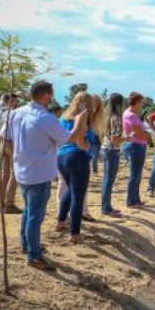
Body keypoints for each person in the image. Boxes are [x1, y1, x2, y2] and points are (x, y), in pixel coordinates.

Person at [0, 80, 87, 269]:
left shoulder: (16, 112)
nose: (52, 98)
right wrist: (79, 122)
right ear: (46, 95)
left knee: (28, 210)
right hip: (38, 175)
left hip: (22, 171)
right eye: (52, 95)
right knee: (35, 216)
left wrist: (16, 155)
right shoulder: (45, 118)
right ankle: (34, 256)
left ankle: (26, 244)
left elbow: (4, 137)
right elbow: (69, 139)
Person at [56, 91, 97, 244]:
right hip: (77, 157)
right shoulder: (82, 118)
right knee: (78, 197)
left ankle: (61, 221)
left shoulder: (63, 118)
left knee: (70, 190)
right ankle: (75, 233)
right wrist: (86, 147)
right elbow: (80, 139)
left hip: (61, 157)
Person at [0, 92, 22, 212]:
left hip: (2, 143)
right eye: (16, 100)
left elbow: (1, 100)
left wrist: (12, 93)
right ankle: (9, 203)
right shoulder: (12, 113)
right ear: (11, 100)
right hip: (11, 143)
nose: (17, 103)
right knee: (15, 174)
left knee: (4, 174)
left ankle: (1, 203)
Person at [121, 92, 149, 207]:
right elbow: (139, 134)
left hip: (136, 146)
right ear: (136, 102)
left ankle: (135, 199)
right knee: (135, 174)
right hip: (135, 147)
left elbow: (139, 132)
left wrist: (144, 135)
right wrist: (147, 136)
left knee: (137, 174)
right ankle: (131, 201)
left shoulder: (131, 113)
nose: (142, 105)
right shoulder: (131, 115)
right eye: (141, 103)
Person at [100, 93, 125, 217]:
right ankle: (106, 208)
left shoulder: (107, 116)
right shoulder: (116, 118)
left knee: (106, 179)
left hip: (105, 149)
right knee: (109, 180)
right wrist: (127, 138)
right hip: (112, 151)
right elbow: (115, 139)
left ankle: (106, 206)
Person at [89, 94, 105, 175]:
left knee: (95, 156)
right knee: (92, 156)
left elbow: (102, 130)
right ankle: (93, 171)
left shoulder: (100, 115)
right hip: (89, 138)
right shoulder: (87, 113)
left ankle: (94, 171)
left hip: (96, 139)